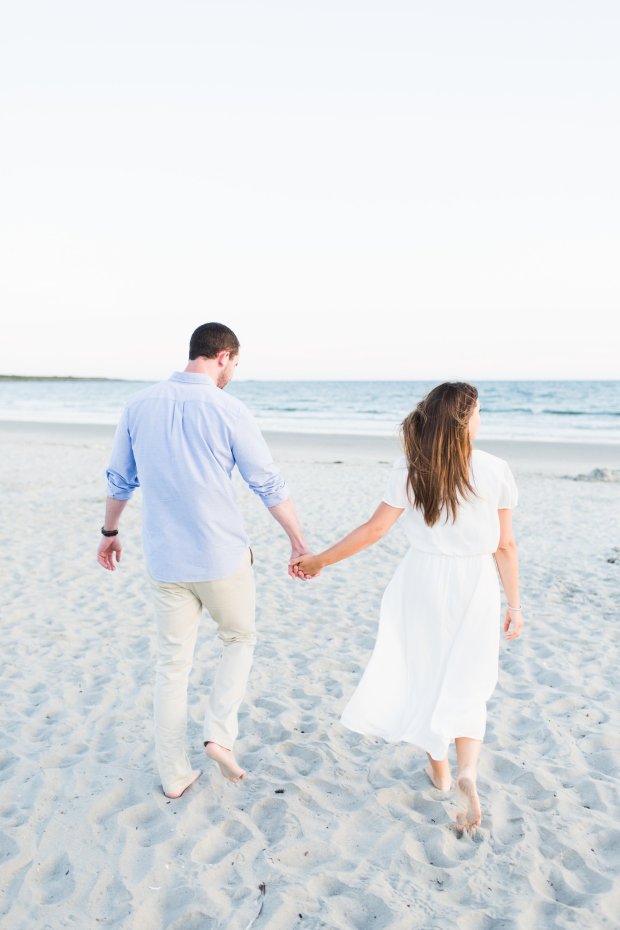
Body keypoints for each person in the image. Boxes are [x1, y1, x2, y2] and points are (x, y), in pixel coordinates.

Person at [291, 382, 523, 831]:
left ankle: (441, 774)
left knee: (426, 674)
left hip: (421, 580)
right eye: (478, 411)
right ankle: (467, 770)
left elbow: (375, 530)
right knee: (470, 677)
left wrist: (320, 560)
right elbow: (506, 545)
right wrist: (515, 604)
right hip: (475, 582)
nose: (481, 419)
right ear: (464, 421)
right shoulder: (496, 469)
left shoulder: (411, 467)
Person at [97, 322, 310, 799]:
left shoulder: (138, 405)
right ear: (224, 355)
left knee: (172, 665)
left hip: (166, 559)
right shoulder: (229, 409)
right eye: (235, 363)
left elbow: (120, 478)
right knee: (239, 638)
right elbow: (267, 483)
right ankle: (219, 735)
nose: (233, 371)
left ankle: (174, 774)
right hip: (220, 555)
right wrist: (298, 541)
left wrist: (110, 532)